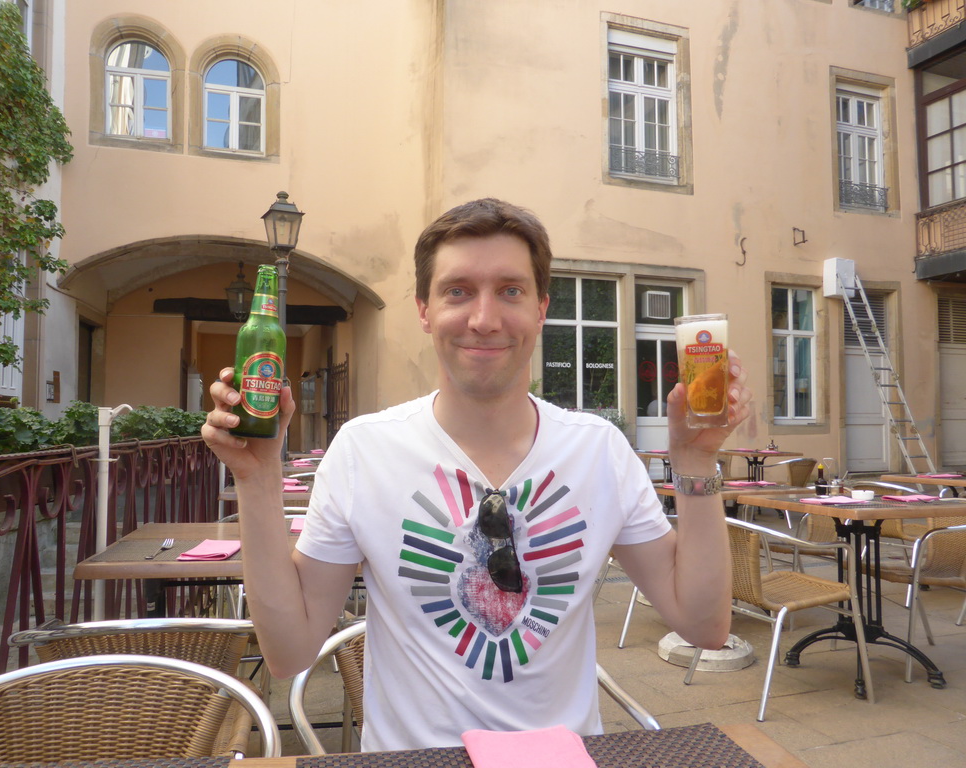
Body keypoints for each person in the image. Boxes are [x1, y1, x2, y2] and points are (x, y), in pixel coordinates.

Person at [202, 198, 753, 751]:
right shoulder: (364, 450)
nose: (484, 319)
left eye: (510, 291)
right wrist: (257, 479)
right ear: (424, 309)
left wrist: (695, 461)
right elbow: (289, 652)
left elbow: (703, 627)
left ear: (541, 308)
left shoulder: (600, 450)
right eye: (457, 290)